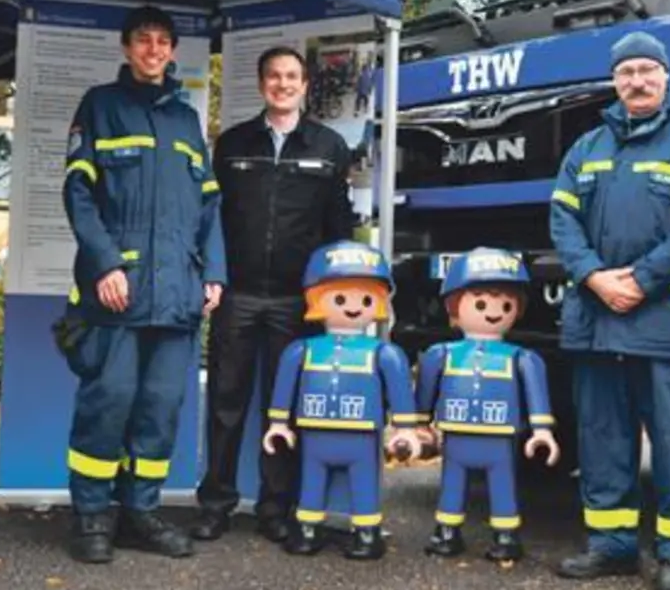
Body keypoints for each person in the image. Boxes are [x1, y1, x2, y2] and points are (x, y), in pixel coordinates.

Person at [547, 31, 670, 590]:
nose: (636, 81)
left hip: (666, 321)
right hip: (598, 317)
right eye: (626, 72)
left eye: (647, 71)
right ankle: (611, 546)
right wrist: (594, 277)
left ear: (664, 76)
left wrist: (643, 279)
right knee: (602, 437)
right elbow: (562, 221)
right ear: (614, 81)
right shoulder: (586, 148)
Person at [59, 4, 226, 565]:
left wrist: (215, 274)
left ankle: (140, 512)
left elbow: (209, 208)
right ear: (127, 48)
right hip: (118, 290)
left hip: (177, 293)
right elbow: (78, 195)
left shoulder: (186, 121)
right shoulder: (100, 107)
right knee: (109, 403)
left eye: (162, 41)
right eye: (143, 40)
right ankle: (90, 516)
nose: (154, 50)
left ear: (173, 51)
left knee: (161, 406)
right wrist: (105, 264)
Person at [190, 46, 357, 544]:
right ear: (262, 84)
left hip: (295, 299)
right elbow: (213, 219)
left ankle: (275, 508)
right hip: (237, 295)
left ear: (305, 85)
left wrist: (330, 294)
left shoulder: (328, 147)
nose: (282, 84)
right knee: (225, 402)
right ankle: (215, 504)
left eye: (291, 77)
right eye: (274, 77)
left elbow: (338, 227)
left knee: (282, 409)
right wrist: (213, 276)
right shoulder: (234, 143)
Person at [261, 240, 423, 560]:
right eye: (339, 297)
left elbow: (401, 392)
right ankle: (307, 529)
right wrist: (278, 423)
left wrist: (406, 429)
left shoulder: (384, 353)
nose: (352, 306)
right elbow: (284, 387)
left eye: (364, 297)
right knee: (311, 481)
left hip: (362, 436)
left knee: (364, 484)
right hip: (314, 432)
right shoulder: (302, 351)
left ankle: (367, 533)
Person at [415, 247, 560, 563]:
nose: (493, 311)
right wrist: (419, 424)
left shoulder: (522, 358)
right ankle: (447, 531)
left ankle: (506, 536)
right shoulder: (442, 354)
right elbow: (425, 392)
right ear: (455, 306)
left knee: (502, 485)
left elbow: (536, 394)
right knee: (452, 484)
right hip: (456, 433)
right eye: (480, 303)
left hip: (500, 436)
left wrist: (542, 431)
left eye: (505, 303)